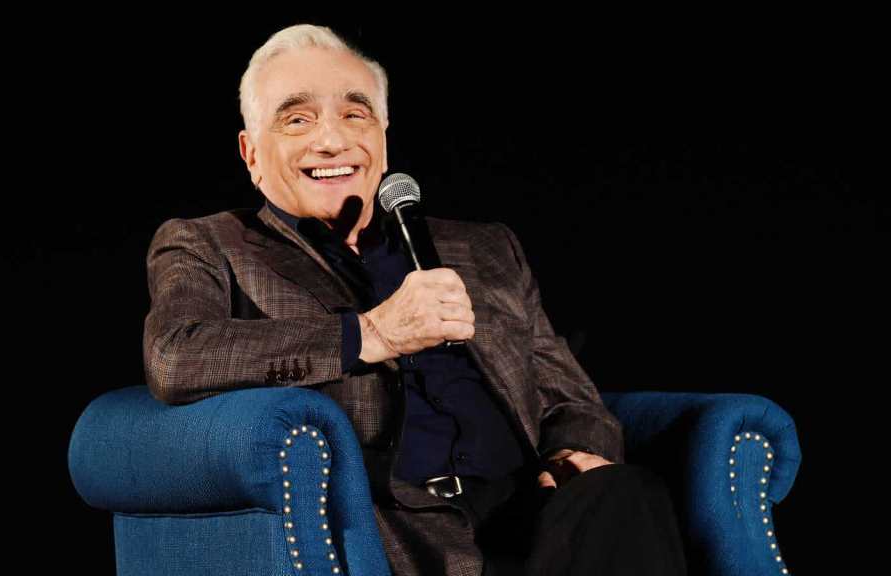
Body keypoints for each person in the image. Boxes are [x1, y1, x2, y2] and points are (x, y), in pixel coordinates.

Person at [142, 23, 687, 576]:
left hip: (536, 515)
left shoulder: (485, 248)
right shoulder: (212, 245)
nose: (332, 141)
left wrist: (573, 451)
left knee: (626, 492)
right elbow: (175, 356)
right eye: (298, 119)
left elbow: (570, 397)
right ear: (252, 153)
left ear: (382, 139)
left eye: (355, 115)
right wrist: (372, 334)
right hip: (393, 530)